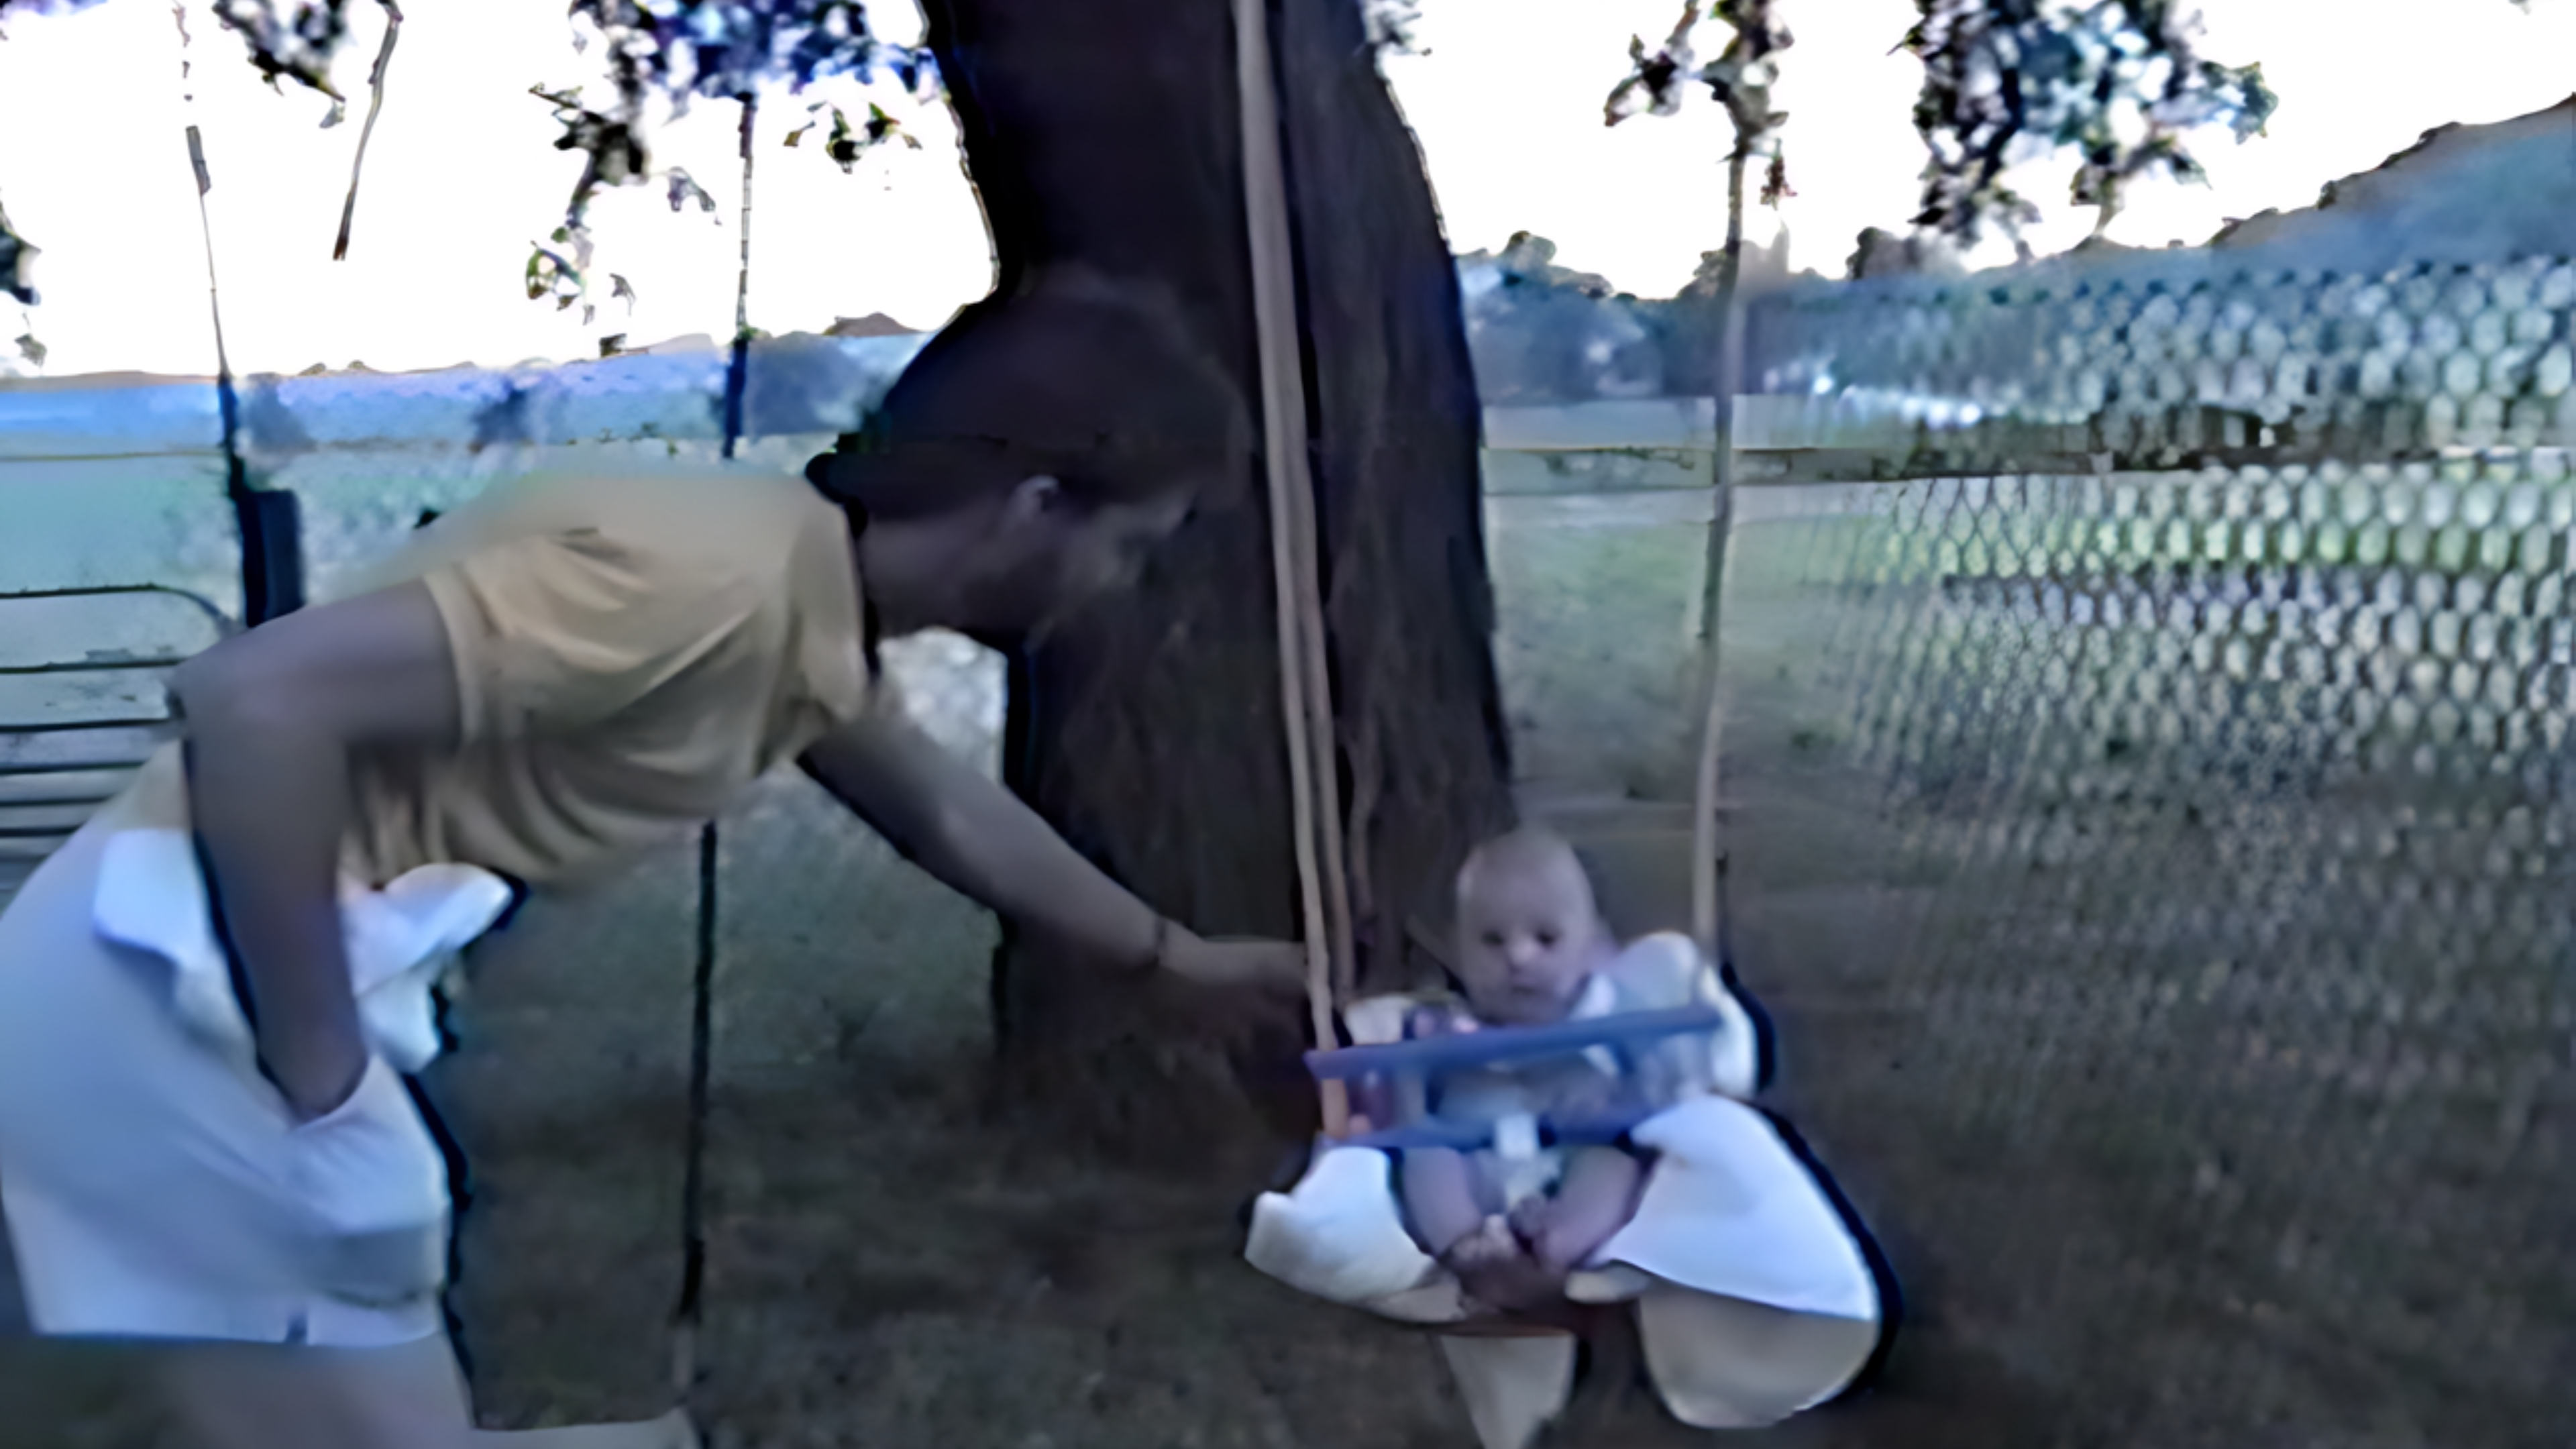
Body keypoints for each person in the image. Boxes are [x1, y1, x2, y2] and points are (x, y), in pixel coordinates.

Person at [0, 274, 1305, 1449]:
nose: (1121, 586)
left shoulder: (798, 603)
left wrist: (1169, 960)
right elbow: (257, 700)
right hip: (169, 998)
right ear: (1034, 509)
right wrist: (320, 1071)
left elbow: (947, 814)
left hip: (155, 991)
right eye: (1131, 545)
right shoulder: (709, 583)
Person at [1391, 826, 1656, 1321]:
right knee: (1427, 1153)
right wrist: (1421, 1072)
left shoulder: (1608, 1018)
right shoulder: (1441, 1023)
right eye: (1491, 940)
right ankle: (1467, 1246)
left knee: (1614, 1162)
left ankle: (1559, 1244)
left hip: (1565, 1164)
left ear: (1592, 945)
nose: (1518, 958)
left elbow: (1653, 1099)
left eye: (1546, 938)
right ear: (1456, 948)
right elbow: (1406, 1104)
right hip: (1476, 1167)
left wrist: (1606, 1094)